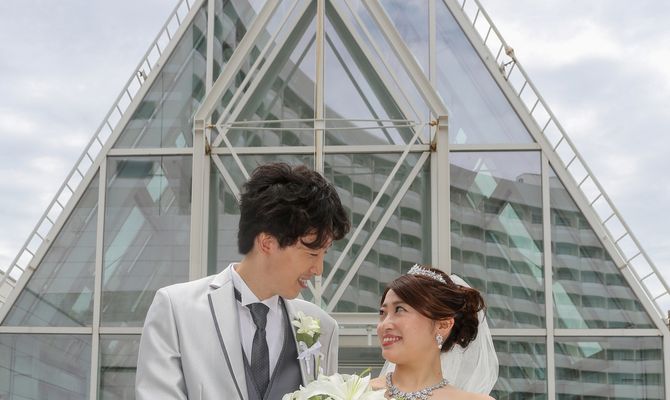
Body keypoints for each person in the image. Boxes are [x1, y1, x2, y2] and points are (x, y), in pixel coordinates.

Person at [136, 163, 351, 400]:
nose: (319, 269)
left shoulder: (323, 327)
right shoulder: (176, 310)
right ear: (267, 242)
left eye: (324, 254)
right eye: (312, 253)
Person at [371, 265, 497, 400]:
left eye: (399, 309)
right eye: (382, 313)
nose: (384, 325)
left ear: (443, 325)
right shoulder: (360, 392)